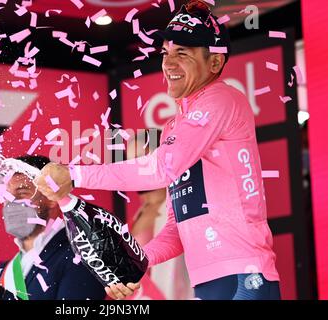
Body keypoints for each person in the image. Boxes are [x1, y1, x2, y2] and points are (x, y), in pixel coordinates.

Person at [34, 0, 281, 300]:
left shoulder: (221, 99)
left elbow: (161, 168)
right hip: (208, 281)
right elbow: (176, 230)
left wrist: (73, 174)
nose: (169, 63)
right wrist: (136, 264)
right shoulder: (174, 128)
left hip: (245, 274)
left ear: (214, 63)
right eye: (166, 53)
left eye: (183, 54)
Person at [0, 155, 106, 300]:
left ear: (51, 197)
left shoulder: (84, 255)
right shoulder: (2, 272)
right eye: (7, 195)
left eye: (22, 193)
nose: (11, 203)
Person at [127, 129, 194, 300]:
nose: (134, 165)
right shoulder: (138, 214)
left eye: (142, 158)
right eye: (129, 160)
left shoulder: (181, 206)